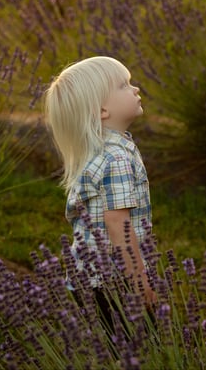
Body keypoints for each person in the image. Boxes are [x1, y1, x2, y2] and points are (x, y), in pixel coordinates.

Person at [44, 56, 156, 310]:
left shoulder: (101, 150)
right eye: (124, 85)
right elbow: (118, 223)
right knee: (135, 344)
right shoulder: (115, 157)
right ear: (102, 111)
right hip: (111, 280)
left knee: (113, 344)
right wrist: (138, 280)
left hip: (91, 276)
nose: (135, 89)